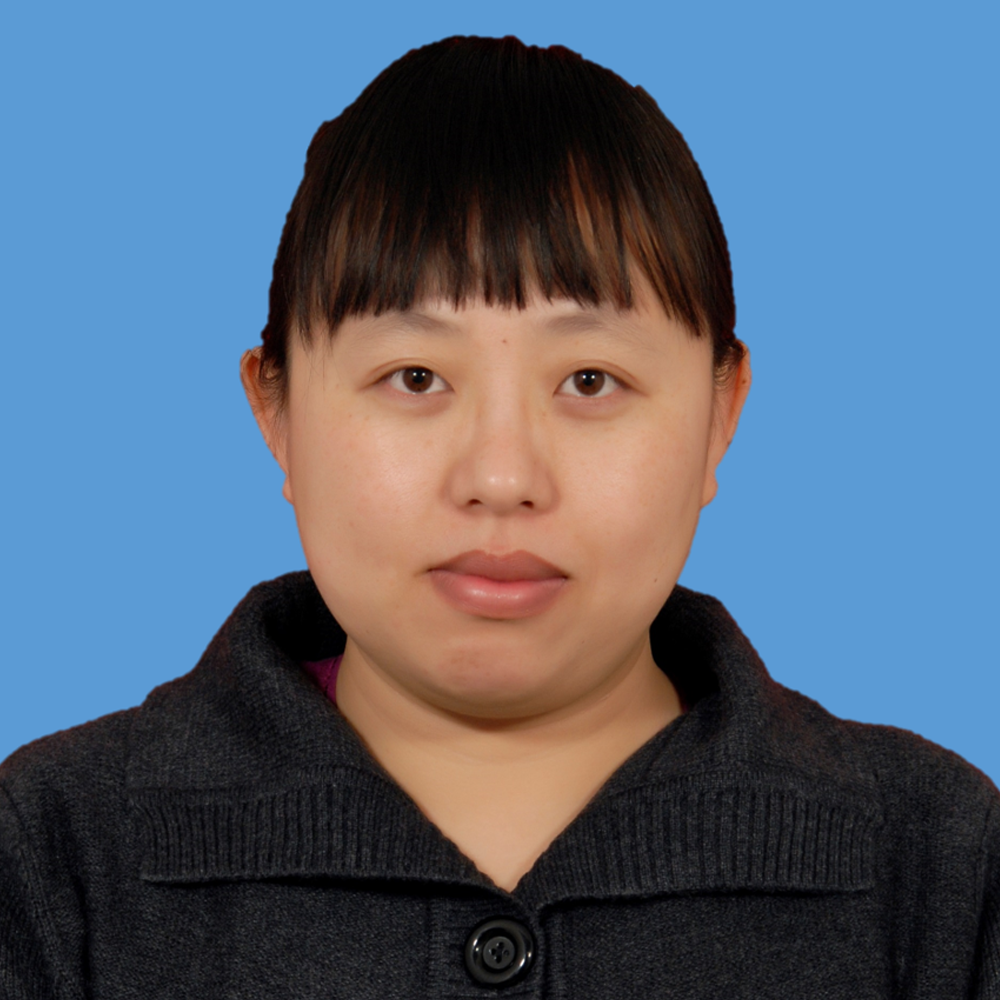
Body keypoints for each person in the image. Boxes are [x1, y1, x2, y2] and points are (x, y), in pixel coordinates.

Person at [1, 34, 996, 998]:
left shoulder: (937, 862)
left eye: (590, 379)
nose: (502, 476)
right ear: (278, 411)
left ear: (720, 415)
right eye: (415, 376)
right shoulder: (52, 854)